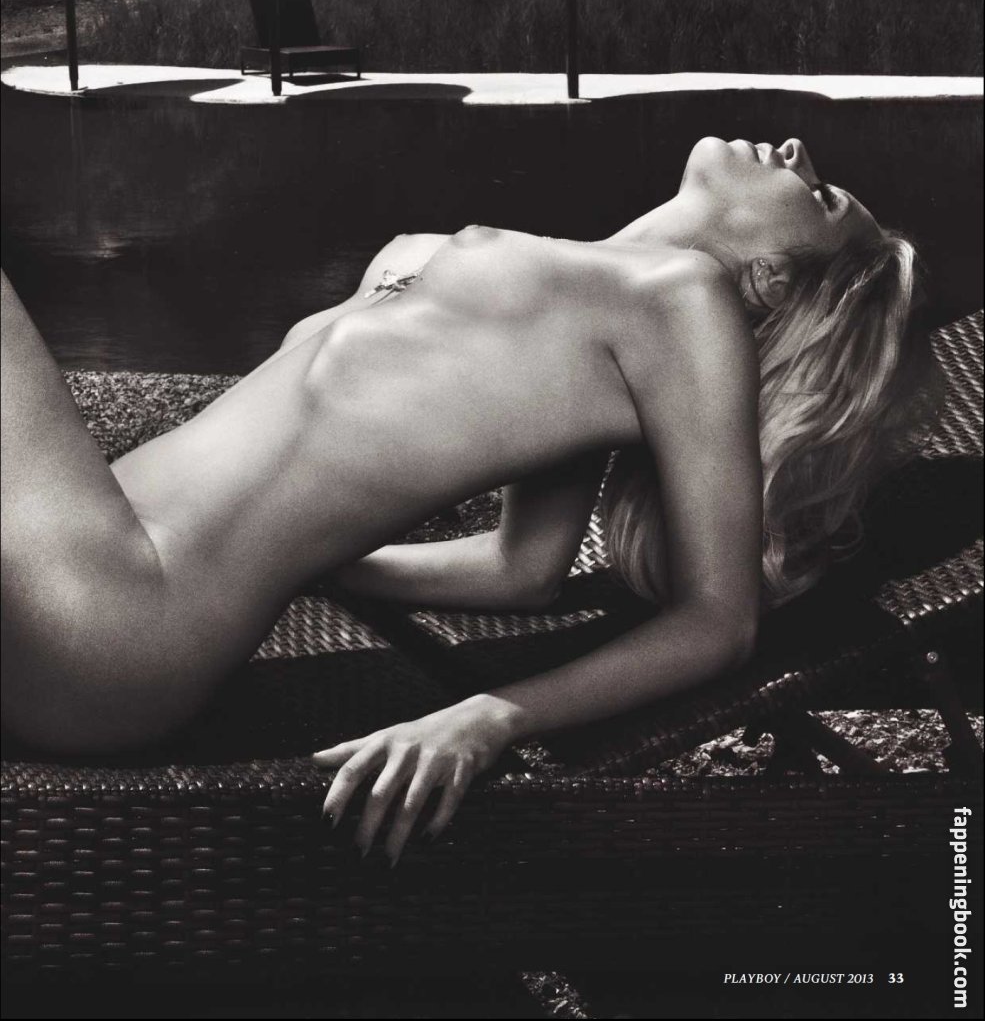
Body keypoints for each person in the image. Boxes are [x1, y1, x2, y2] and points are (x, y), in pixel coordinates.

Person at [1, 136, 938, 866]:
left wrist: (488, 718)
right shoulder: (583, 292)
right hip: (82, 573)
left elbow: (719, 622)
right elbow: (519, 570)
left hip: (113, 620)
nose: (794, 152)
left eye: (817, 193)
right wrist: (313, 566)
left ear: (772, 275)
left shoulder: (678, 302)